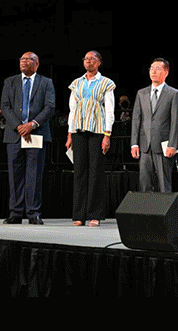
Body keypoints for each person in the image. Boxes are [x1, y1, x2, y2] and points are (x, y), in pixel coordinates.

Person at [1, 51, 55, 224]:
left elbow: (49, 107)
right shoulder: (10, 82)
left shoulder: (46, 82)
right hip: (15, 134)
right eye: (22, 59)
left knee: (35, 174)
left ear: (37, 64)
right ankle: (15, 212)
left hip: (36, 133)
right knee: (15, 175)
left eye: (28, 59)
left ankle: (33, 213)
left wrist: (32, 124)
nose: (24, 61)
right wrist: (19, 126)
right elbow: (5, 106)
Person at [66, 50, 116, 227]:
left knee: (95, 172)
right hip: (79, 130)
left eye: (92, 59)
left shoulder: (105, 83)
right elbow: (72, 110)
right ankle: (79, 214)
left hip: (97, 132)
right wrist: (69, 134)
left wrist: (107, 135)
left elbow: (109, 111)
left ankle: (94, 214)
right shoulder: (77, 83)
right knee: (79, 172)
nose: (88, 61)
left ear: (99, 62)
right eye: (86, 59)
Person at [131, 58, 178, 193]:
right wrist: (134, 144)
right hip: (145, 145)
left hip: (164, 145)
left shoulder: (174, 93)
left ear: (166, 72)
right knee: (144, 182)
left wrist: (173, 144)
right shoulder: (141, 93)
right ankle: (145, 212)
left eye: (158, 68)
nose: (153, 71)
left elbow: (176, 121)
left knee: (163, 183)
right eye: (151, 68)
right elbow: (136, 120)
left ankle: (163, 213)